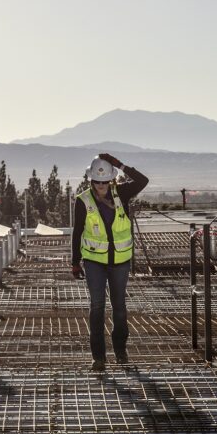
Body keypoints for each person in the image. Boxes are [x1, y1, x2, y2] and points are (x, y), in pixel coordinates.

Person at [71, 153, 149, 371]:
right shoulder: (83, 201)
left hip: (120, 261)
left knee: (119, 307)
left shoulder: (121, 194)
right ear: (91, 181)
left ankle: (121, 351)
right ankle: (98, 357)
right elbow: (77, 232)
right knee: (97, 307)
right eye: (97, 182)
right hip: (94, 261)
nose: (101, 186)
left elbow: (143, 181)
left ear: (111, 180)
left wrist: (120, 164)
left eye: (105, 182)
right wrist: (75, 262)